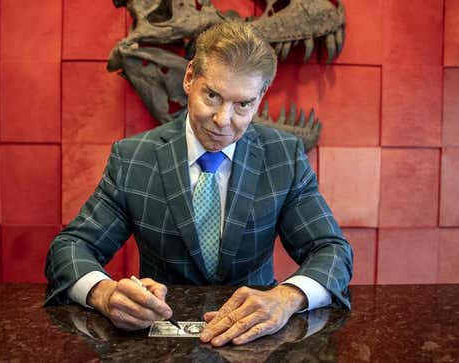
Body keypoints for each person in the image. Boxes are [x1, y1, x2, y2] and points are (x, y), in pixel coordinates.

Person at [45, 21, 352, 347]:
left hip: (255, 343)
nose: (223, 120)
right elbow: (69, 248)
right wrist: (104, 293)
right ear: (190, 78)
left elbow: (331, 250)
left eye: (242, 105)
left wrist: (286, 298)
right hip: (158, 342)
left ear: (260, 97)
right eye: (212, 96)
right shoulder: (133, 158)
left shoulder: (284, 157)